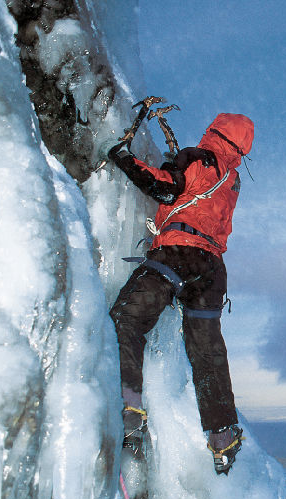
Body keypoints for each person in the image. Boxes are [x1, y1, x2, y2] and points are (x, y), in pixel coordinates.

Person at [107, 113, 254, 475]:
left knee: (128, 317)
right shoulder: (231, 180)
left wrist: (124, 159)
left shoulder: (198, 157)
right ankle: (223, 436)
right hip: (211, 270)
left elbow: (166, 187)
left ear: (212, 132)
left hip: (178, 255)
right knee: (206, 351)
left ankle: (129, 410)